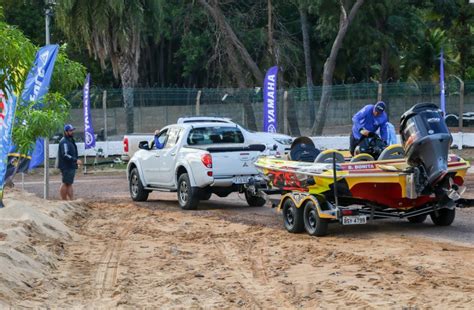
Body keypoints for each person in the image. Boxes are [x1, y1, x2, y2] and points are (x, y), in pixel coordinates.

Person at [58, 124, 81, 200]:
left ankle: (71, 199)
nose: (72, 132)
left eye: (72, 130)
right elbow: (65, 154)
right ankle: (64, 200)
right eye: (70, 131)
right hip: (66, 166)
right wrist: (75, 160)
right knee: (65, 182)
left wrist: (75, 161)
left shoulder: (69, 140)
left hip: (70, 165)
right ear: (66, 132)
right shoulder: (64, 142)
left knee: (69, 183)